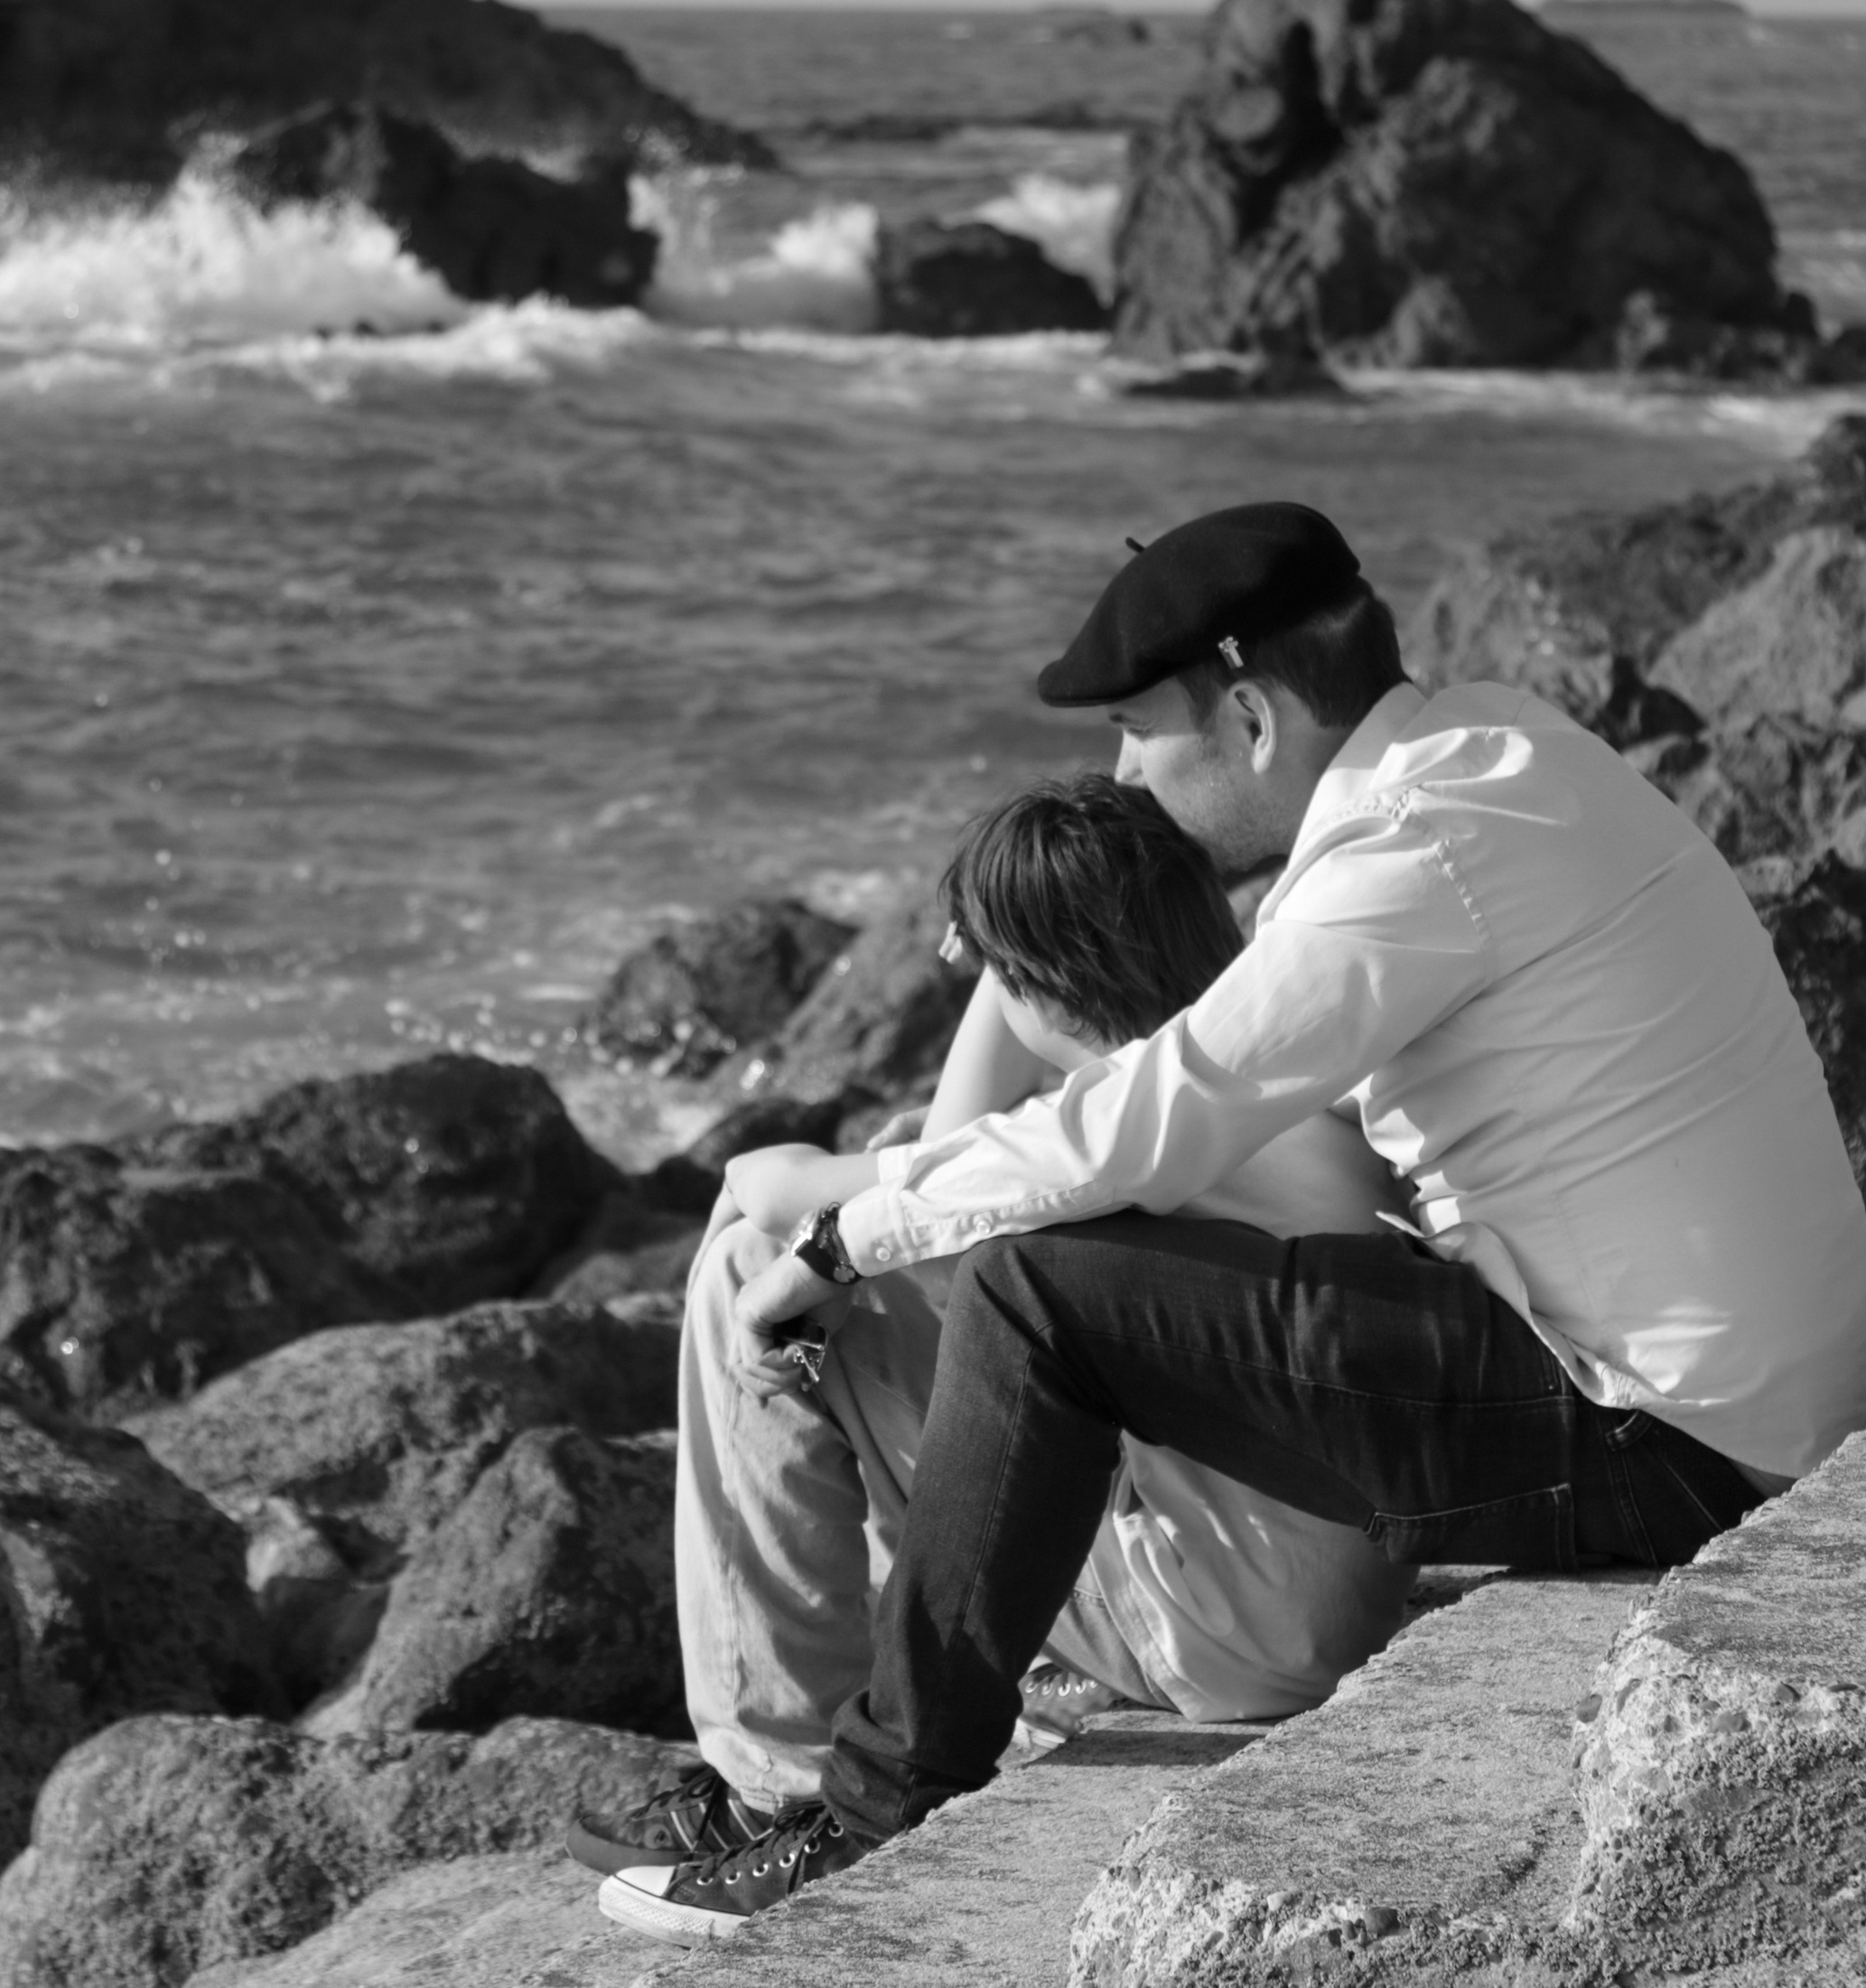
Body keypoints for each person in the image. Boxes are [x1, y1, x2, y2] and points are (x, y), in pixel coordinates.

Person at [597, 499, 1866, 1942]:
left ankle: (868, 1819)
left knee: (1046, 1292)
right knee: (1065, 1266)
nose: (1121, 779)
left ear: (1252, 717)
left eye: (1137, 737)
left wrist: (849, 1228)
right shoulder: (1494, 752)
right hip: (1719, 1407)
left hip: (1668, 1445)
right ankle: (862, 1760)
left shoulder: (1411, 845)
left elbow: (1167, 1105)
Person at [570, 768, 1418, 1906]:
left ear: (1031, 982)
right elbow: (948, 1160)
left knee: (742, 1273)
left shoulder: (1089, 1139)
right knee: (896, 1204)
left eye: (990, 964)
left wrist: (795, 1255)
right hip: (1324, 1589)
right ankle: (946, 1692)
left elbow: (769, 1184)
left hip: (1219, 1634)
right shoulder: (1284, 1094)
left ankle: (773, 1782)